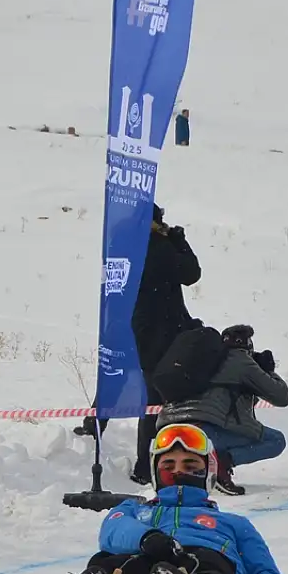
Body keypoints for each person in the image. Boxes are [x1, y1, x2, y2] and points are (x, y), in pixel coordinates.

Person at [59, 424, 285, 574]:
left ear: (209, 472)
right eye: (168, 465)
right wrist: (148, 538)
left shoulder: (233, 524)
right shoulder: (135, 510)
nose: (178, 472)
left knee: (211, 564)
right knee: (113, 564)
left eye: (190, 465)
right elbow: (113, 529)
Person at [75, 205, 203, 483]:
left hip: (122, 322)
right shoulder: (158, 246)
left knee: (114, 378)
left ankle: (91, 430)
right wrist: (179, 241)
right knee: (151, 398)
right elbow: (191, 273)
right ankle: (143, 467)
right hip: (156, 330)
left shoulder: (120, 244)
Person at [156, 324, 288, 495]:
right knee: (276, 440)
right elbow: (281, 397)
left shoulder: (202, 359)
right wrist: (268, 371)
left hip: (167, 428)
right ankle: (221, 463)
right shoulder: (240, 360)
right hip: (205, 430)